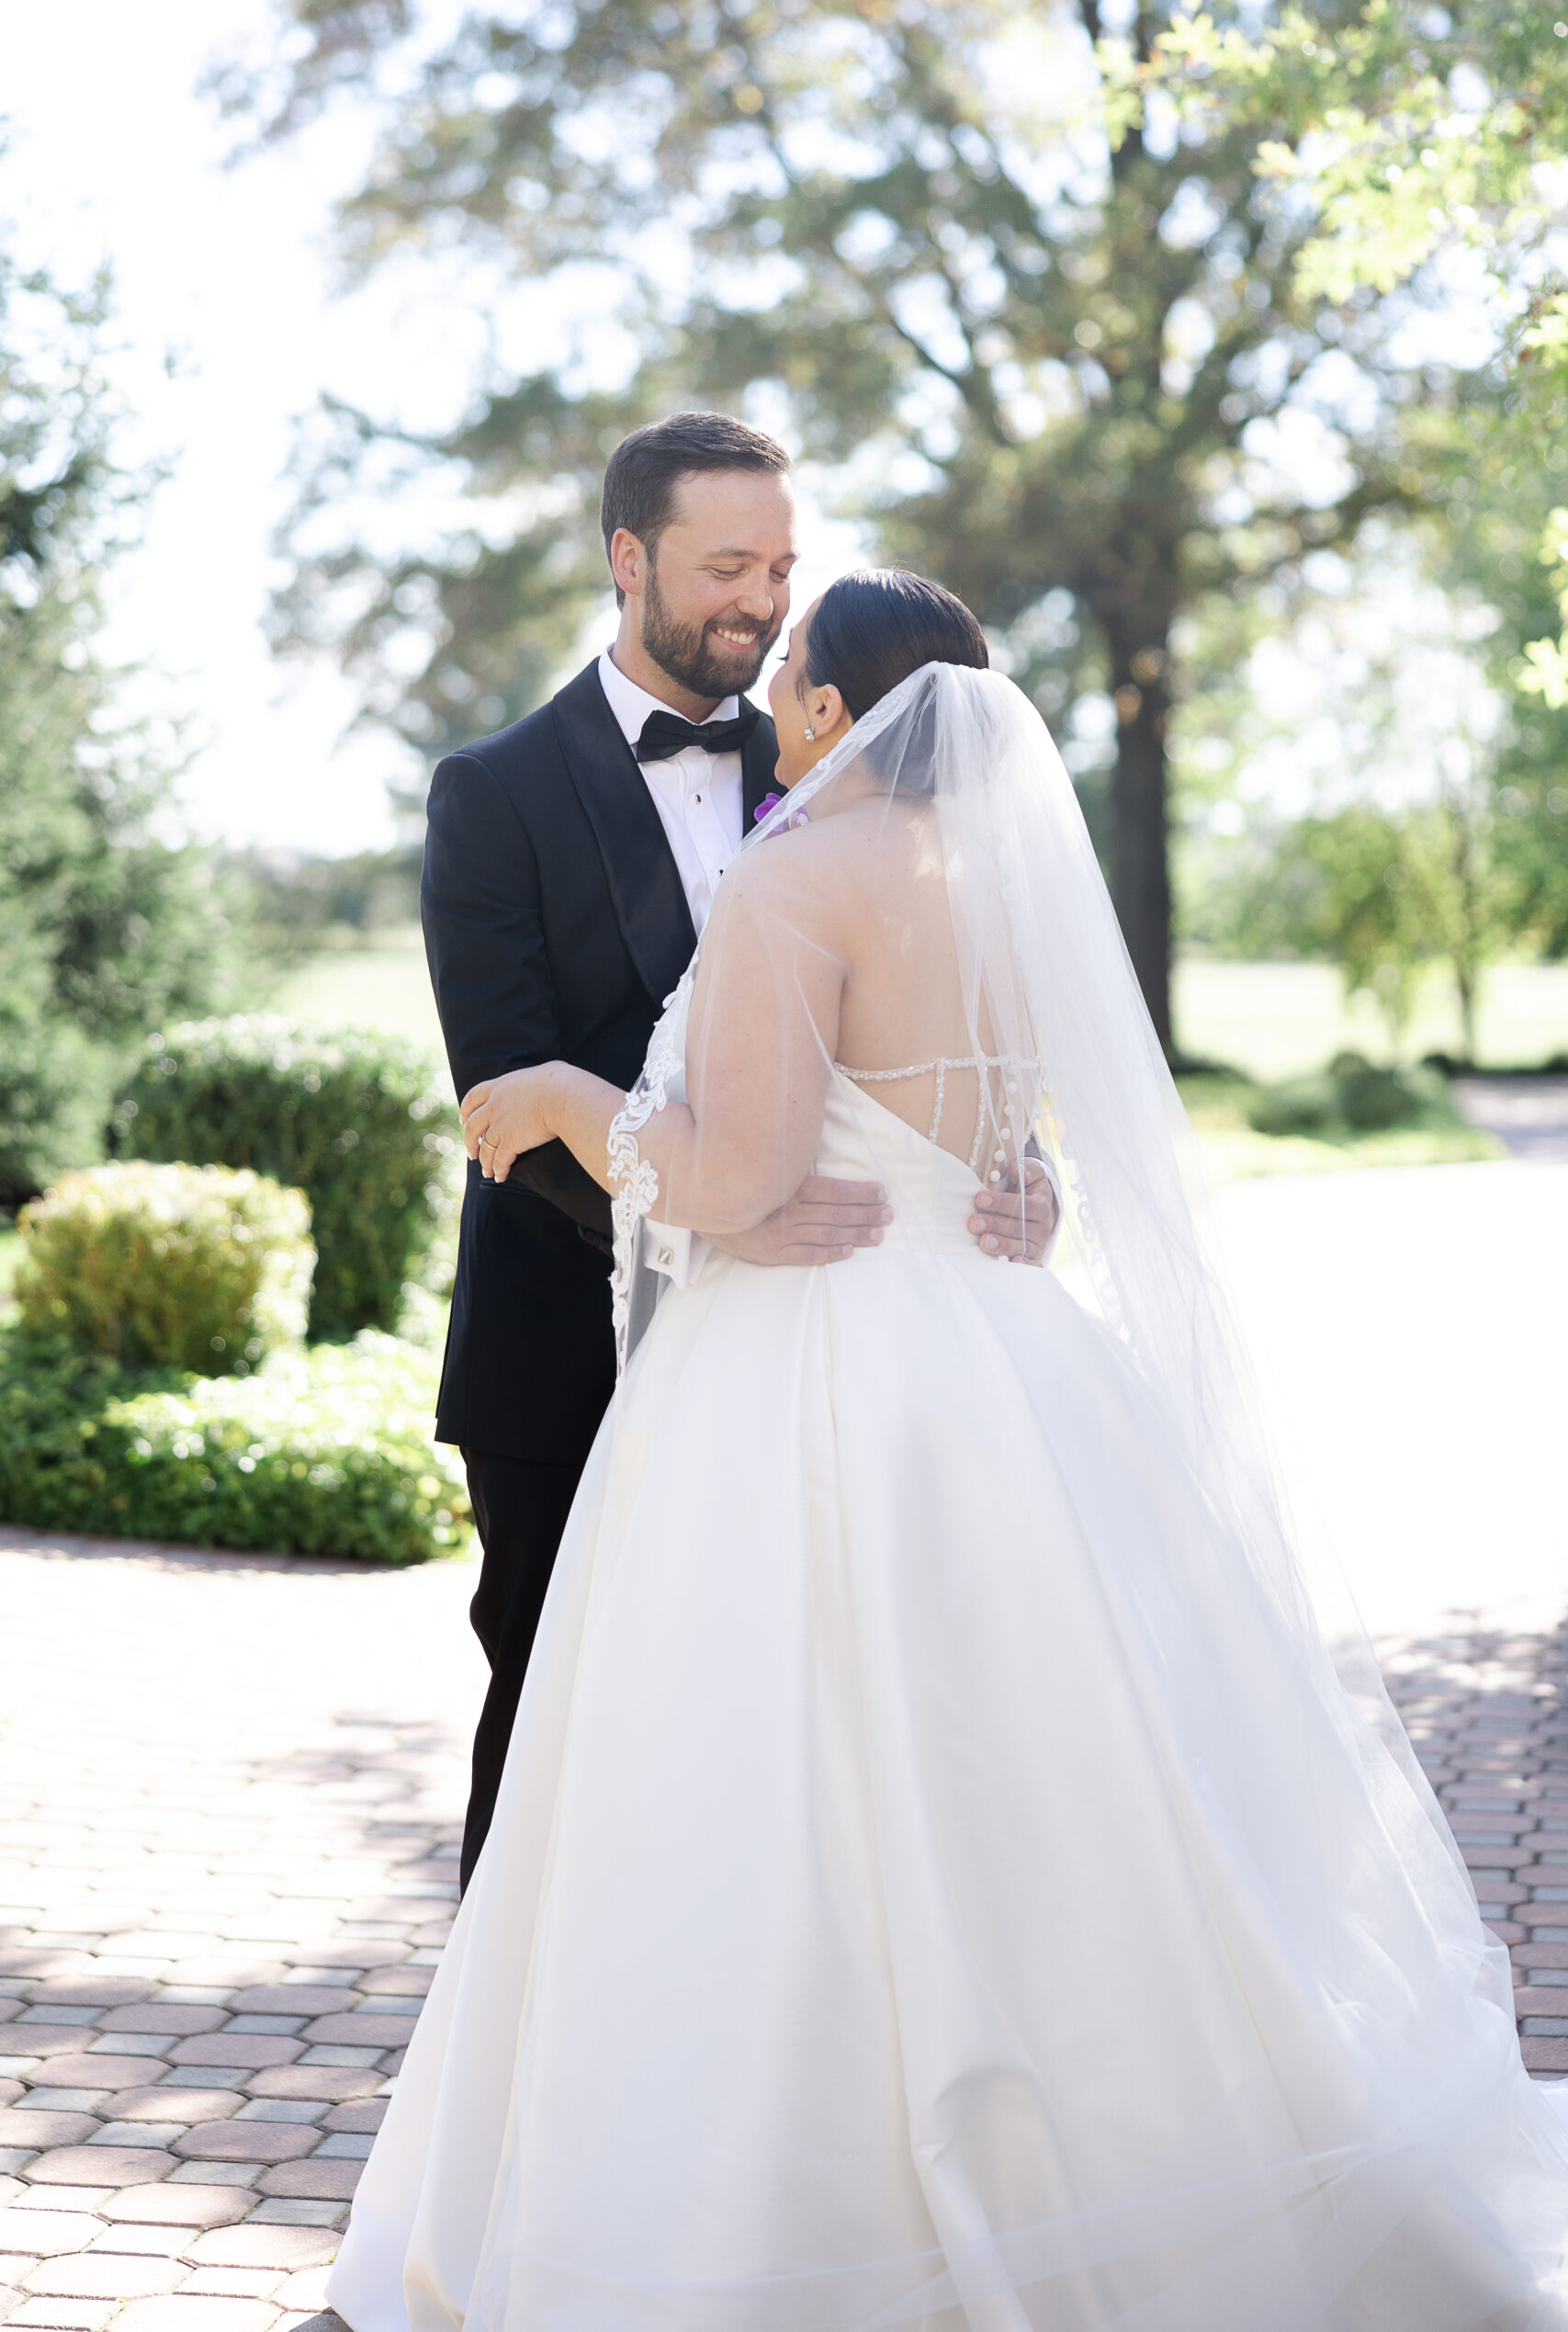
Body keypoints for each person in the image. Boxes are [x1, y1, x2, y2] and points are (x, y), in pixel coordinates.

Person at [332, 571, 1568, 2332]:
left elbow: (741, 1177)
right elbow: (1016, 1166)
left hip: (811, 1376)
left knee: (765, 1776)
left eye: (794, 665)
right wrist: (1014, 1184)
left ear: (835, 712)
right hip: (996, 1370)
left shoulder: (793, 875)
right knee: (1041, 1781)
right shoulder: (1000, 883)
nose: (775, 688)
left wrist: (553, 1105)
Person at [420, 417, 1058, 1892]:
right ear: (628, 558)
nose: (762, 602)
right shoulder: (495, 792)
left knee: (821, 1728)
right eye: (726, 566)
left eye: (781, 567)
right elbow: (505, 1089)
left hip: (839, 1340)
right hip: (564, 1350)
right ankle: (516, 2092)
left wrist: (1013, 1169)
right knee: (557, 1712)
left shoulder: (854, 755)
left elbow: (933, 1037)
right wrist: (715, 1212)